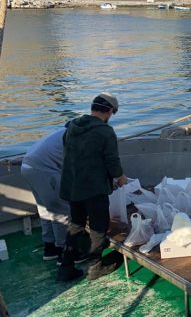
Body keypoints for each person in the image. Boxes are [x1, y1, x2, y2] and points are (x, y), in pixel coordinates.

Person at [57, 93, 128, 282]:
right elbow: (112, 160)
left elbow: (69, 150)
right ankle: (95, 267)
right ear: (110, 111)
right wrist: (120, 177)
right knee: (98, 227)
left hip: (73, 186)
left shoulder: (72, 126)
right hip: (94, 189)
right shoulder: (105, 131)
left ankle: (66, 268)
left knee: (76, 224)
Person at [20, 129, 68, 261]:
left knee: (45, 210)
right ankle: (64, 253)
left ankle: (50, 248)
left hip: (27, 167)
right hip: (44, 170)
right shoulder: (76, 137)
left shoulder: (60, 133)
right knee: (61, 211)